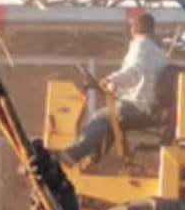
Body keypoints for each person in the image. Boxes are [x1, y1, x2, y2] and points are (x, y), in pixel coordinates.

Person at [62, 11, 170, 164]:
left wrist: (110, 80)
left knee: (101, 117)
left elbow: (134, 72)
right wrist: (114, 85)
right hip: (148, 103)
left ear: (133, 28)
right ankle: (92, 160)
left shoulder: (142, 45)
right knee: (111, 119)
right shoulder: (159, 51)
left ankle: (73, 154)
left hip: (139, 104)